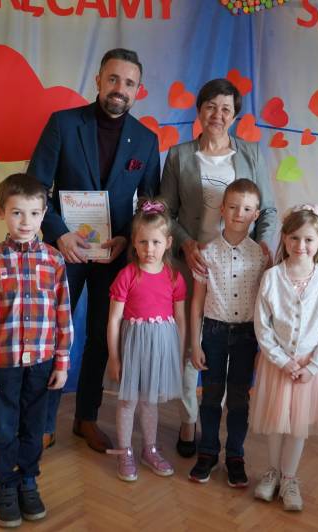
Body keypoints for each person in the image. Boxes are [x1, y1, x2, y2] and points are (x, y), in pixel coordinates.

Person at [27, 48, 161, 452]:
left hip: (114, 255)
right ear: (99, 80)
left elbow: (150, 205)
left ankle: (85, 417)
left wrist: (129, 238)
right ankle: (43, 422)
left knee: (103, 336)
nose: (120, 88)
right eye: (113, 79)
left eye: (129, 83)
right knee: (54, 334)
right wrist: (59, 233)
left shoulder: (147, 141)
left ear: (138, 90)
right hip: (63, 252)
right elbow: (36, 188)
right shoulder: (63, 124)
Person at [159, 78, 277, 457]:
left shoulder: (251, 154)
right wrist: (185, 243)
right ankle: (189, 420)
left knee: (230, 347)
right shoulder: (179, 155)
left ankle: (221, 426)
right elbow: (165, 212)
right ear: (199, 110)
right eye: (210, 106)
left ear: (235, 116)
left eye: (226, 109)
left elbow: (268, 211)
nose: (217, 114)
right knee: (191, 345)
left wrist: (264, 244)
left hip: (240, 268)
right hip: (192, 261)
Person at [0, 174, 73, 527]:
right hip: (3, 364)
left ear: (44, 215)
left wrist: (62, 362)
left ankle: (28, 480)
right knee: (5, 428)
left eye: (34, 213)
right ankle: (5, 485)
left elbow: (63, 315)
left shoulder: (54, 261)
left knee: (34, 428)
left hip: (42, 363)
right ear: (0, 212)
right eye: (16, 213)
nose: (26, 222)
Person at [250, 204, 318, 512]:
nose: (301, 245)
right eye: (294, 238)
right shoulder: (272, 277)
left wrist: (312, 366)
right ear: (284, 239)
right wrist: (281, 360)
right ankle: (272, 472)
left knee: (297, 426)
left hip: (308, 368)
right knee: (276, 423)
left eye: (308, 239)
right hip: (277, 366)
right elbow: (262, 326)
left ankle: (289, 478)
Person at [186, 179, 269, 487]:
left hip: (247, 335)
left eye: (246, 209)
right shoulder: (206, 253)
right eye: (233, 207)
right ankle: (207, 451)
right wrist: (195, 343)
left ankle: (235, 454)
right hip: (214, 332)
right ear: (222, 209)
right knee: (210, 396)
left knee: (238, 398)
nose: (238, 214)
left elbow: (265, 305)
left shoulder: (261, 256)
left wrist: (264, 348)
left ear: (256, 214)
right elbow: (197, 302)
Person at [105, 199, 185, 481]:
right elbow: (114, 319)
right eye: (143, 242)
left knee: (150, 401)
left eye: (156, 242)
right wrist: (114, 358)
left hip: (161, 348)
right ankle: (124, 451)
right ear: (134, 244)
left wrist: (179, 353)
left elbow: (180, 318)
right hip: (133, 347)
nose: (149, 249)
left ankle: (149, 449)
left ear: (168, 243)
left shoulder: (174, 277)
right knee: (128, 401)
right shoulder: (127, 276)